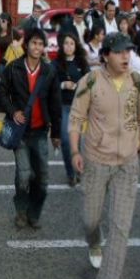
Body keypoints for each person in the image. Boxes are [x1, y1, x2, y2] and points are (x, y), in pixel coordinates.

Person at [69, 32, 140, 279]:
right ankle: (94, 242)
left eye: (128, 51)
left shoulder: (138, 82)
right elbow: (76, 119)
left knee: (121, 227)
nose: (126, 56)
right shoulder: (90, 81)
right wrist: (75, 151)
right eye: (119, 52)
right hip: (96, 160)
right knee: (90, 220)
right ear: (106, 55)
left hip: (127, 163)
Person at [0, 28, 62, 229]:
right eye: (34, 43)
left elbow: (55, 103)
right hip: (21, 133)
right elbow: (1, 93)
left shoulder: (49, 71)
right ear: (26, 45)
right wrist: (13, 112)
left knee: (42, 179)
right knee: (24, 175)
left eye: (41, 44)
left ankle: (34, 213)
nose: (37, 47)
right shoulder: (13, 68)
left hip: (41, 132)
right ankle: (20, 211)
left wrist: (57, 133)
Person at [51, 33, 90, 187]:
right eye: (66, 43)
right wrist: (63, 85)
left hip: (78, 106)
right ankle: (70, 172)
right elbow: (52, 85)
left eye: (71, 43)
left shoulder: (82, 62)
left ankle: (77, 169)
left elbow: (89, 83)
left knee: (76, 141)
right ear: (62, 46)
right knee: (66, 141)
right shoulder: (56, 64)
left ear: (76, 45)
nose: (68, 46)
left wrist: (78, 85)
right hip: (63, 106)